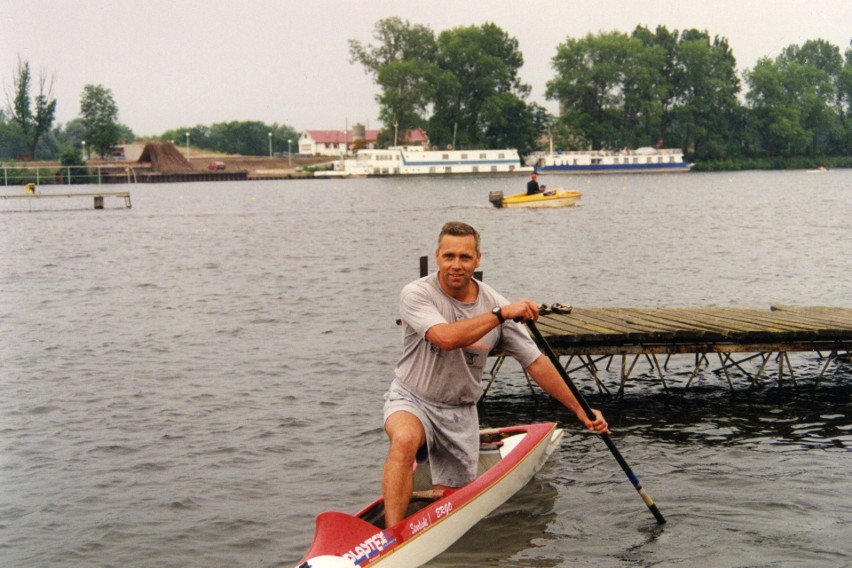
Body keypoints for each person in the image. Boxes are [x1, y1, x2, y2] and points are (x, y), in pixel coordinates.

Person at [381, 221, 609, 528]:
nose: (456, 265)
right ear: (436, 257)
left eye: (465, 257)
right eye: (449, 256)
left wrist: (582, 409)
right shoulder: (416, 294)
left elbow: (536, 363)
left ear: (478, 259)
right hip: (412, 398)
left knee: (453, 498)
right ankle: (393, 538)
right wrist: (500, 315)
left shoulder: (494, 302)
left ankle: (424, 494)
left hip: (459, 412)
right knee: (405, 440)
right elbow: (447, 338)